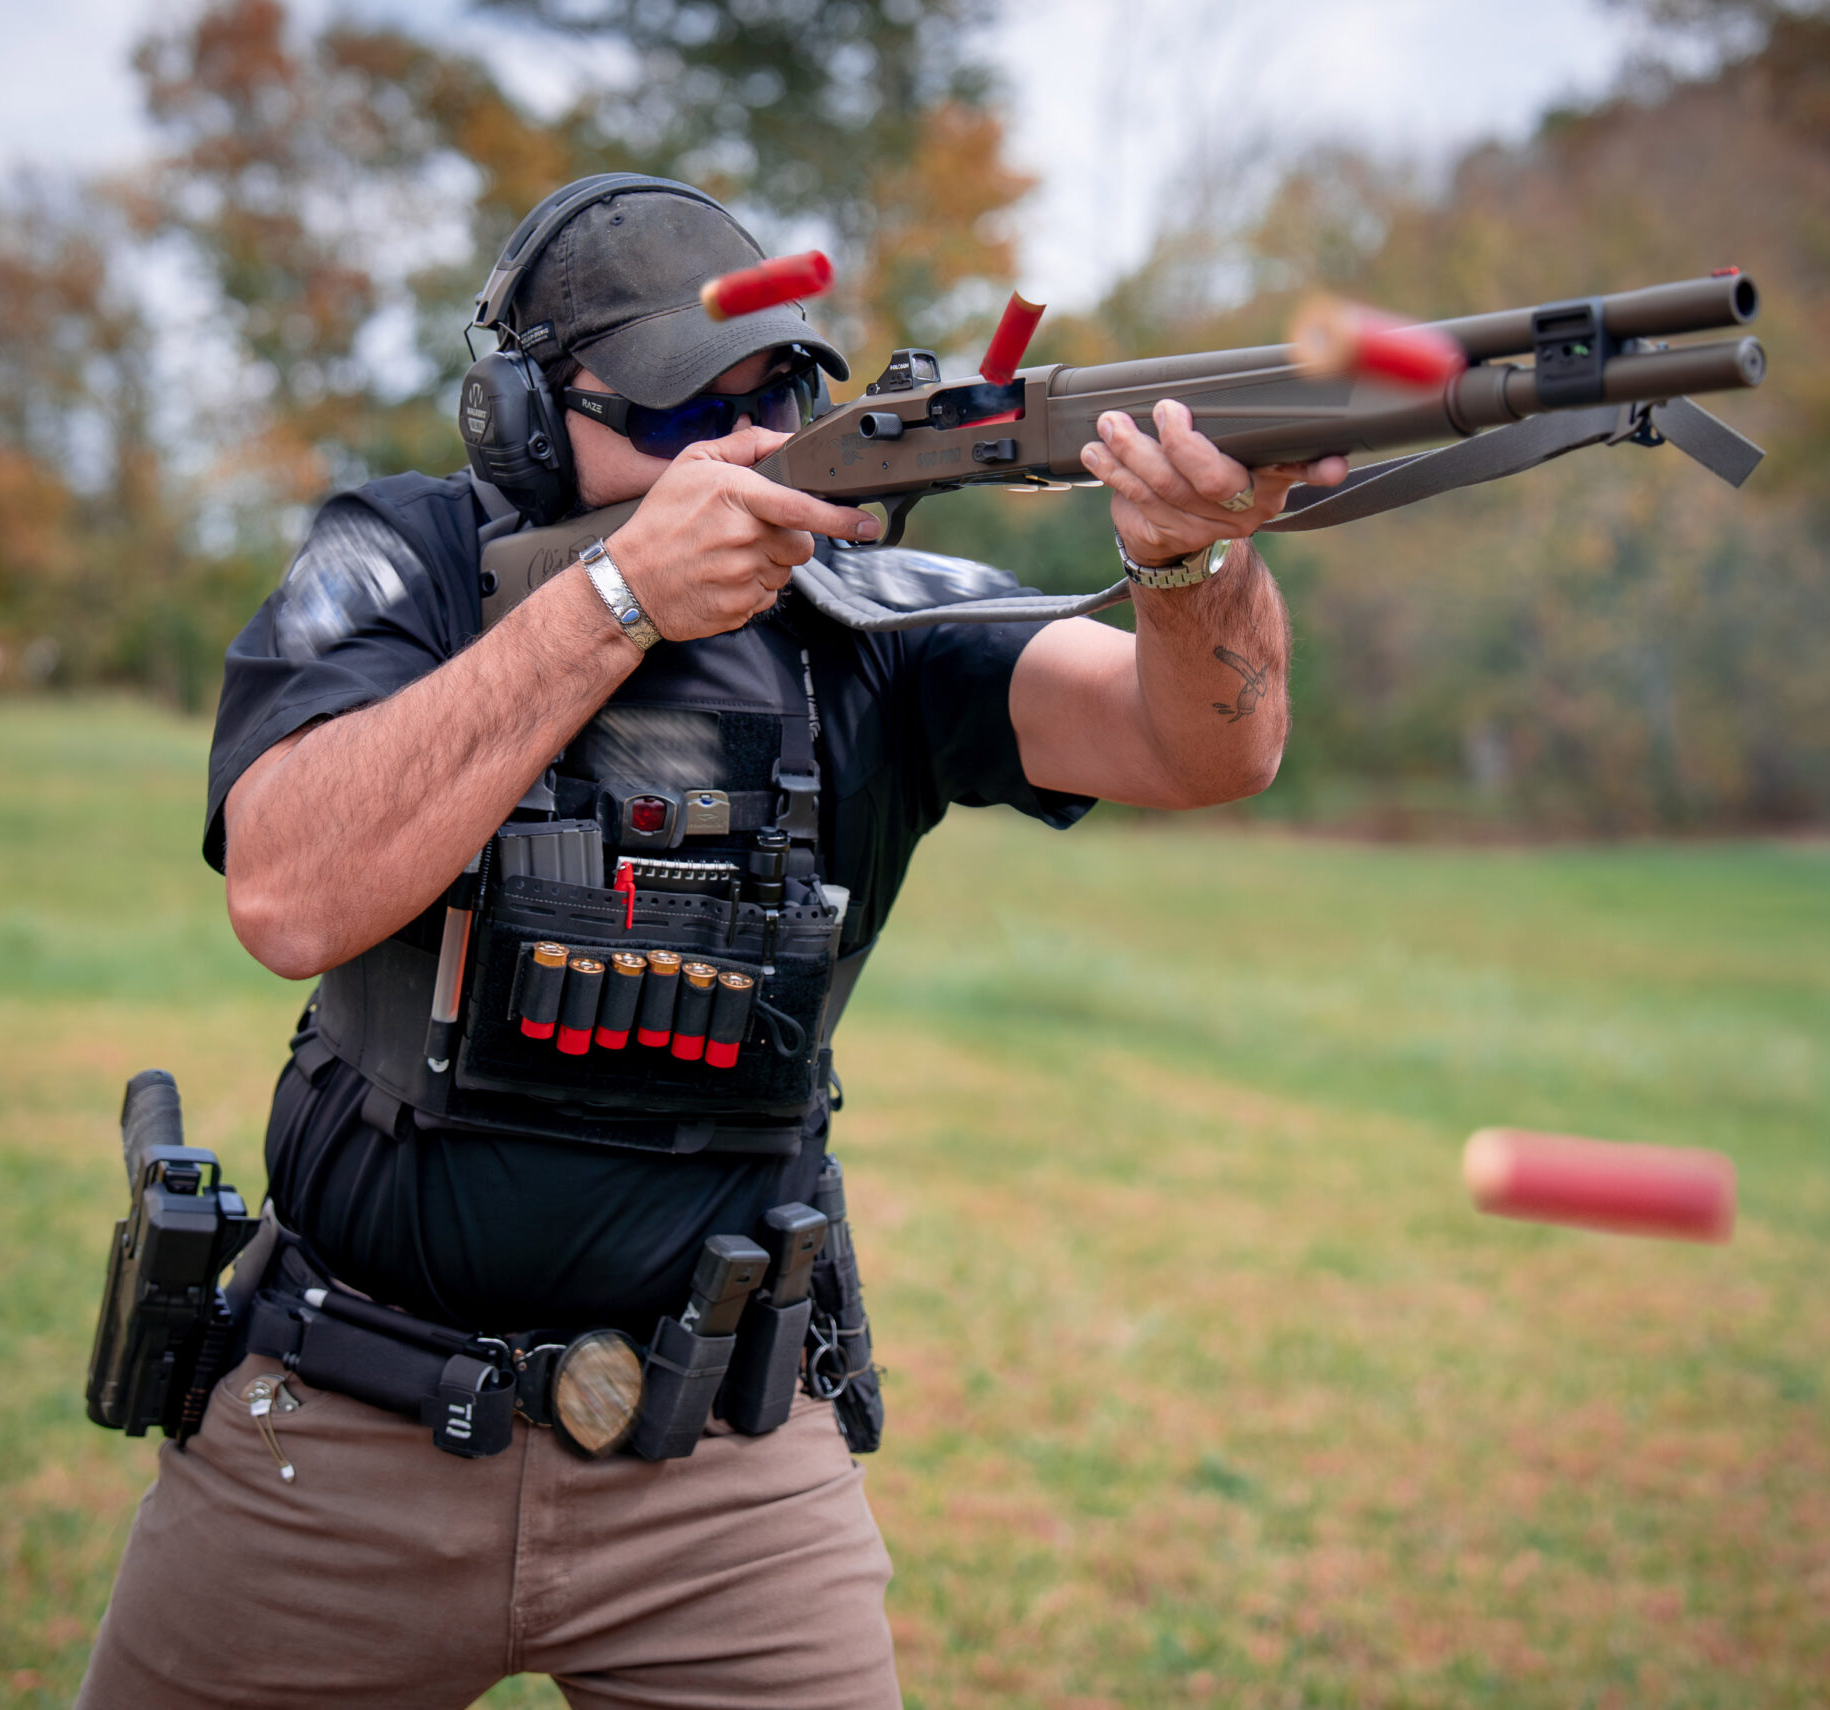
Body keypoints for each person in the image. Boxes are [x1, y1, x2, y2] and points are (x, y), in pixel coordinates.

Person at [76, 174, 1348, 1710]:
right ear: (525, 423)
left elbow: (1202, 748)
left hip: (723, 1461)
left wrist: (1192, 567)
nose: (734, 453)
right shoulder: (405, 561)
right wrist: (616, 599)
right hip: (333, 1420)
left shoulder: (865, 611)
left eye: (776, 399)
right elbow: (287, 892)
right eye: (683, 416)